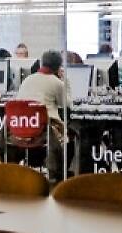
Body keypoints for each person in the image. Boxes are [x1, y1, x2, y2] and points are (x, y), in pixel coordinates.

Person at [5, 50, 72, 180]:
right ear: (58, 67)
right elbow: (67, 104)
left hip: (20, 131)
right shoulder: (56, 83)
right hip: (43, 132)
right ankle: (60, 174)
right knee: (69, 135)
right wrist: (66, 82)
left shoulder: (27, 80)